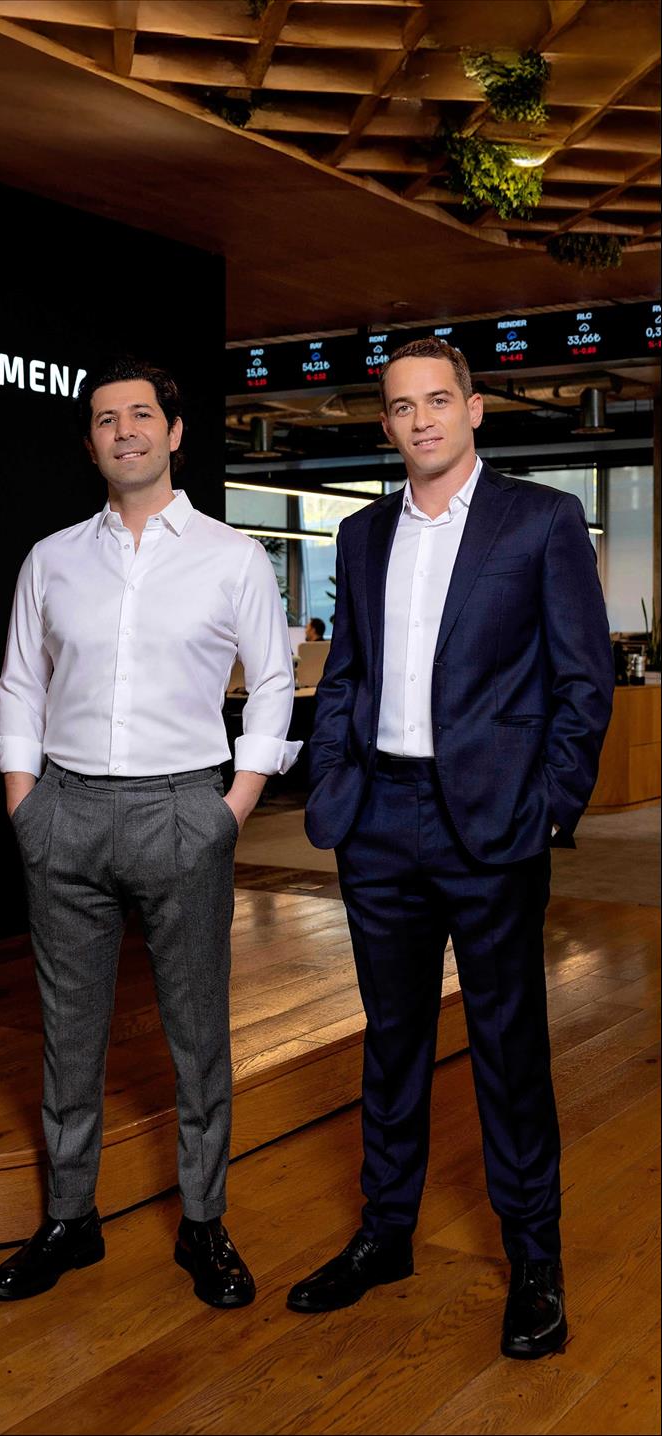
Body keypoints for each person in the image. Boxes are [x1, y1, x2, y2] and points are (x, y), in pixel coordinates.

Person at [289, 338, 612, 1359]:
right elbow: (345, 673)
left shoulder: (542, 520)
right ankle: (386, 1233)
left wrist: (549, 804)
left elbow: (582, 678)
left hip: (493, 824)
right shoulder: (361, 532)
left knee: (509, 1048)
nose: (420, 419)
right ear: (385, 423)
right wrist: (333, 782)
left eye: (438, 400)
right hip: (378, 818)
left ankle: (534, 1259)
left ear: (474, 409)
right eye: (401, 406)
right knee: (391, 1039)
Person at [0, 357, 300, 1308]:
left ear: (173, 432)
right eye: (104, 419)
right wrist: (24, 803)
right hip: (65, 811)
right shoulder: (51, 557)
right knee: (67, 1032)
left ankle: (203, 1220)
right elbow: (20, 682)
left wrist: (230, 807)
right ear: (90, 443)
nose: (122, 430)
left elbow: (273, 681)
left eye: (139, 415)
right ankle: (69, 1218)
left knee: (198, 1034)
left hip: (182, 811)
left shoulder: (231, 556)